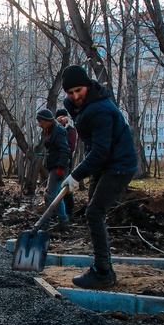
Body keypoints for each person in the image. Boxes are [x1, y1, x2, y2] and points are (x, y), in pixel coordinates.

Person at [60, 64, 138, 288]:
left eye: (79, 91)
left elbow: (101, 151)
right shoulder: (76, 105)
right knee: (94, 214)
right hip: (103, 164)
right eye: (70, 92)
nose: (75, 96)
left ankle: (103, 272)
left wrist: (76, 175)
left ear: (88, 86)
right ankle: (103, 267)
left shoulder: (100, 109)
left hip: (119, 165)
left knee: (95, 213)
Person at [36, 108, 71, 231]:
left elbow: (65, 150)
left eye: (41, 122)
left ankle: (44, 223)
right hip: (54, 166)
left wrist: (60, 168)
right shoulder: (51, 130)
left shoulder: (58, 131)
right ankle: (64, 221)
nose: (40, 125)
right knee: (56, 196)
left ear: (47, 120)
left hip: (58, 168)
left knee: (49, 195)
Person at [56, 108, 77, 217]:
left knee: (66, 187)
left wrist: (63, 159)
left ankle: (68, 211)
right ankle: (58, 210)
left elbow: (70, 148)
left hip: (65, 163)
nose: (61, 118)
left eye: (63, 116)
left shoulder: (71, 131)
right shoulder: (54, 131)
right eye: (59, 116)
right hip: (55, 163)